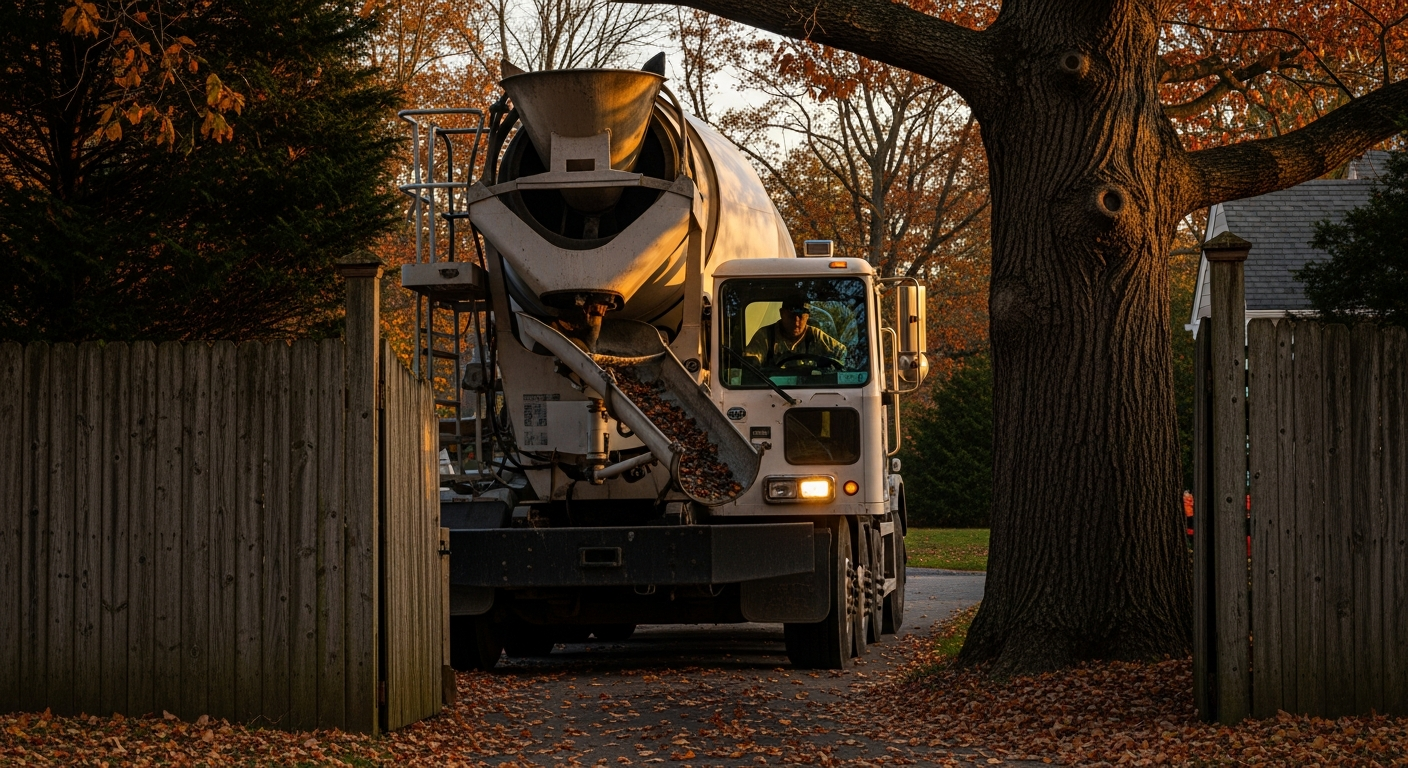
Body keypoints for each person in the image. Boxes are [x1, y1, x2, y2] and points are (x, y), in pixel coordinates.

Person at [743, 294, 847, 368]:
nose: (796, 322)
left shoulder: (815, 335)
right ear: (782, 313)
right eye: (791, 316)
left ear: (807, 316)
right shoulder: (766, 336)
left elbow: (842, 353)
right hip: (772, 391)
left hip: (810, 391)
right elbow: (749, 362)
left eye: (800, 316)